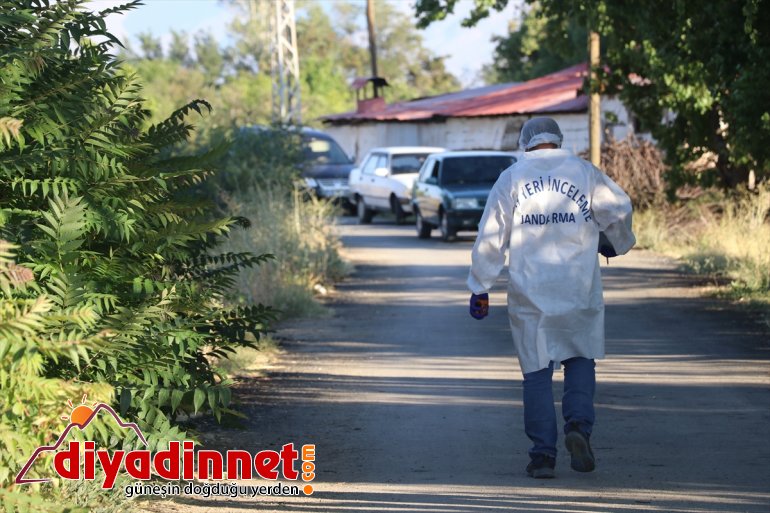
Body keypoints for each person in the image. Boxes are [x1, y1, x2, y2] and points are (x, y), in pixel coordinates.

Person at [467, 117, 635, 478]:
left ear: (526, 142)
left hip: (531, 292)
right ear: (558, 139)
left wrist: (480, 286)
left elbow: (491, 237)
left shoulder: (512, 178)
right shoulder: (584, 172)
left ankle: (543, 456)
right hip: (579, 287)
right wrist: (615, 242)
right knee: (580, 357)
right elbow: (619, 209)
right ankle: (578, 428)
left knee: (537, 372)